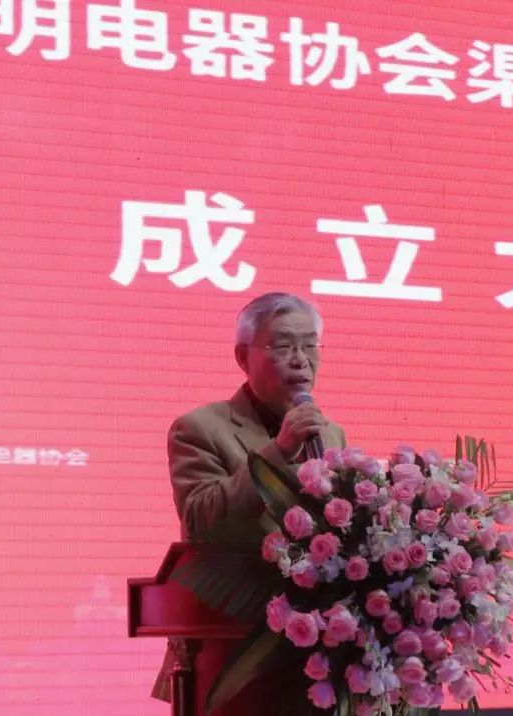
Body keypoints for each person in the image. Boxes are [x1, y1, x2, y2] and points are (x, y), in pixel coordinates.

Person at [152, 292, 346, 713]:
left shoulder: (331, 434)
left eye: (310, 345)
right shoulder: (199, 428)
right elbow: (201, 518)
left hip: (314, 654)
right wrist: (279, 451)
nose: (301, 360)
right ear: (243, 357)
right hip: (230, 655)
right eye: (283, 345)